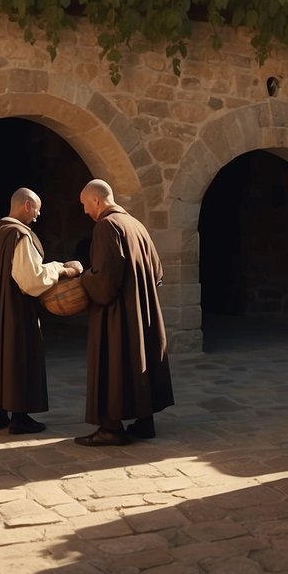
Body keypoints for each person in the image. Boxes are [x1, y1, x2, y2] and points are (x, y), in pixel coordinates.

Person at [0, 187, 82, 434]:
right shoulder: (18, 235)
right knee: (18, 358)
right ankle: (20, 417)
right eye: (37, 210)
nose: (38, 216)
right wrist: (60, 269)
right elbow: (31, 279)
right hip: (14, 311)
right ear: (26, 205)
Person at [74, 179, 174, 446]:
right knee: (138, 360)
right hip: (142, 310)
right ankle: (144, 422)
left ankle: (110, 429)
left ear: (97, 200)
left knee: (114, 363)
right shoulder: (136, 225)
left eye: (85, 205)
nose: (85, 211)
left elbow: (105, 282)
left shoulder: (107, 226)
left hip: (118, 315)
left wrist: (84, 278)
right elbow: (157, 272)